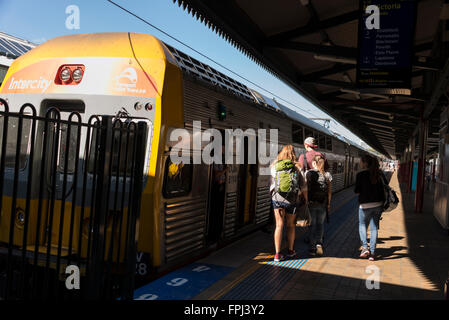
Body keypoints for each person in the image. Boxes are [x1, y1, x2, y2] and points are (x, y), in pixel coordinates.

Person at [270, 145, 307, 262]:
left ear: (282, 153)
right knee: (290, 225)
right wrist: (305, 199)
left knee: (279, 225)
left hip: (277, 199)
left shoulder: (275, 166)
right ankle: (291, 251)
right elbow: (303, 185)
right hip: (292, 199)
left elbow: (272, 183)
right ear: (294, 154)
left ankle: (277, 254)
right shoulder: (298, 167)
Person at [354, 155, 386, 261]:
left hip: (364, 206)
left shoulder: (361, 175)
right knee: (374, 228)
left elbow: (356, 191)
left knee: (362, 225)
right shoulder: (380, 174)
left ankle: (364, 248)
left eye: (361, 162)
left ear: (365, 163)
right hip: (378, 205)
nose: (360, 164)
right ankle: (372, 253)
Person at [306, 155, 332, 256]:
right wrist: (328, 204)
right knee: (320, 225)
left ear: (314, 163)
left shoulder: (308, 173)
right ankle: (319, 243)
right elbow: (329, 192)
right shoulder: (327, 174)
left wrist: (306, 201)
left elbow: (306, 189)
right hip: (323, 203)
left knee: (312, 226)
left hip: (311, 203)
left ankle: (312, 248)